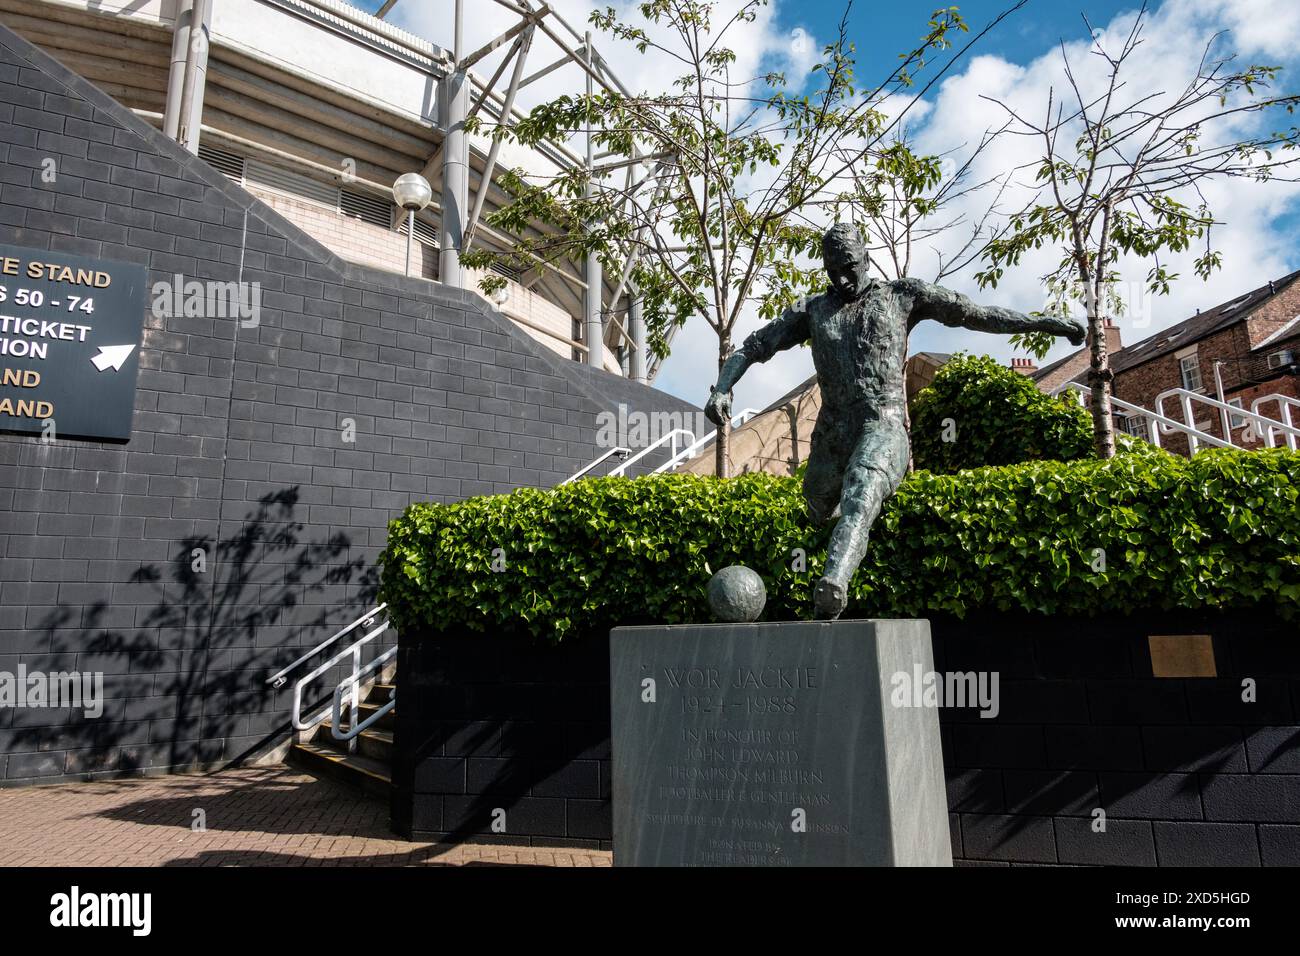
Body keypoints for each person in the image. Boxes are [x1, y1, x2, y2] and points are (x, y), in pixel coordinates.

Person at [705, 223, 1086, 619]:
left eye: (849, 266)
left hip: (882, 421)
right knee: (817, 505)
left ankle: (834, 581)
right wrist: (722, 388)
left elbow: (977, 314)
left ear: (867, 258)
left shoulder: (903, 296)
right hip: (834, 431)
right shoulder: (813, 309)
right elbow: (755, 345)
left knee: (860, 491)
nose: (842, 277)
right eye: (832, 269)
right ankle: (849, 529)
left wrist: (1046, 324)